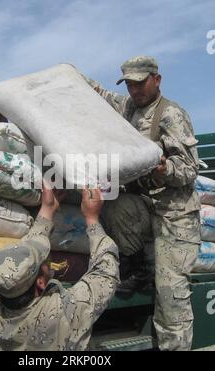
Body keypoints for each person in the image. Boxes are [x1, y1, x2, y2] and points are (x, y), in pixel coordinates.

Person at [84, 56, 201, 351]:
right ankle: (139, 266)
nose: (135, 90)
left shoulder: (171, 115)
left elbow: (189, 170)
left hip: (175, 215)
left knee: (170, 295)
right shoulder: (129, 108)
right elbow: (103, 96)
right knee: (109, 203)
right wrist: (72, 77)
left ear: (156, 80)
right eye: (130, 84)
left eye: (140, 83)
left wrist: (164, 169)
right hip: (146, 206)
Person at [0, 187, 120, 351]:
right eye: (43, 260)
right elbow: (105, 273)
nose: (46, 258)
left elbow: (21, 259)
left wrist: (47, 209)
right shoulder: (62, 310)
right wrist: (92, 219)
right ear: (41, 282)